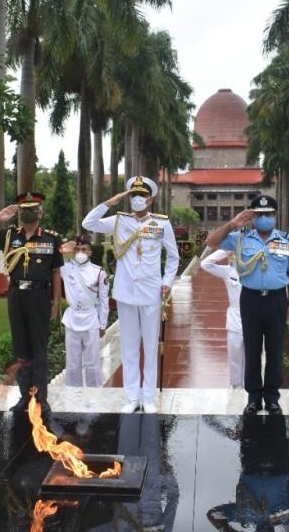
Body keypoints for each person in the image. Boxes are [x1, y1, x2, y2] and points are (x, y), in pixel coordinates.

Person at [82, 175, 179, 414]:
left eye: (142, 195)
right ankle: (132, 396)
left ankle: (149, 397)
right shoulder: (118, 221)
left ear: (151, 198)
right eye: (134, 195)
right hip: (126, 293)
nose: (137, 199)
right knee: (129, 346)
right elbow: (88, 223)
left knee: (150, 344)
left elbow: (174, 257)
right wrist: (109, 203)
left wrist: (167, 282)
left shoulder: (162, 224)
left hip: (151, 293)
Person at [205, 194, 289, 416]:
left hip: (277, 299)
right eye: (259, 214)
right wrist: (232, 223)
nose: (264, 218)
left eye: (268, 214)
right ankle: (254, 398)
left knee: (275, 350)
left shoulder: (286, 240)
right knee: (252, 349)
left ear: (275, 216)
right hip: (250, 299)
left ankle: (272, 398)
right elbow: (210, 242)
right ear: (252, 216)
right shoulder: (240, 237)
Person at [0, 191, 62, 414]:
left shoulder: (51, 238)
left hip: (40, 296)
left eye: (32, 209)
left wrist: (55, 303)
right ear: (19, 213)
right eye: (24, 210)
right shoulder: (9, 236)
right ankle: (25, 397)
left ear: (40, 212)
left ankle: (40, 397)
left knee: (39, 349)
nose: (28, 213)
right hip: (16, 296)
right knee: (21, 348)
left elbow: (56, 273)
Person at [59, 234, 110, 387]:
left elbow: (104, 300)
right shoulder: (66, 269)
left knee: (92, 363)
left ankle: (95, 395)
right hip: (72, 319)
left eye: (84, 249)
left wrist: (103, 324)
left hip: (91, 319)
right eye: (77, 249)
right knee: (72, 364)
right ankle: (73, 395)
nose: (80, 252)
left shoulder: (99, 272)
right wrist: (63, 247)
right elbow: (52, 255)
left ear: (90, 252)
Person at [200, 248, 245, 389]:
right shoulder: (227, 271)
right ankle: (236, 384)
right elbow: (205, 264)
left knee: (252, 353)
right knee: (234, 352)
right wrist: (225, 251)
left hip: (252, 314)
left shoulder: (254, 270)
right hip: (235, 315)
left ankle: (250, 383)